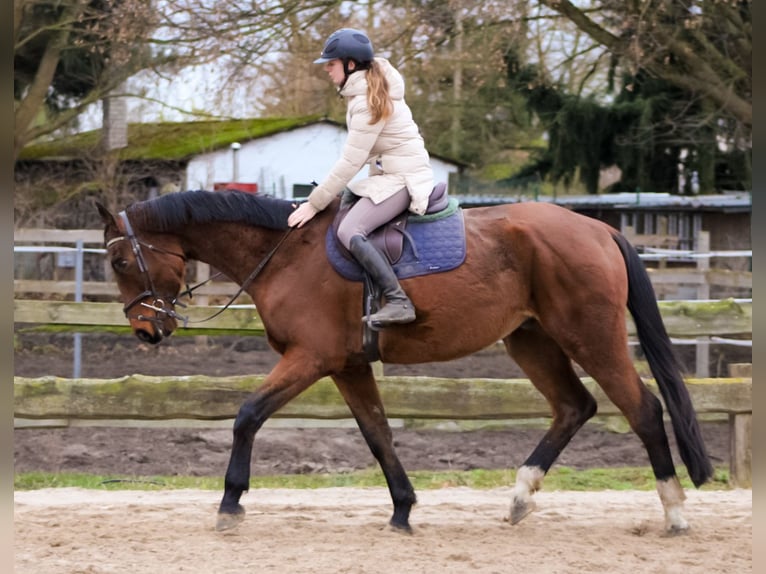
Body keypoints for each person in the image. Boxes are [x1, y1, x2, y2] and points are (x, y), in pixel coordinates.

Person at [288, 28, 434, 327]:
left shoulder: (366, 100)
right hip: (389, 175)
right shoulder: (364, 91)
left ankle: (398, 300)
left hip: (403, 178)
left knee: (349, 229)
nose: (327, 69)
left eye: (332, 63)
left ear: (351, 65)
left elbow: (351, 161)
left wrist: (314, 204)